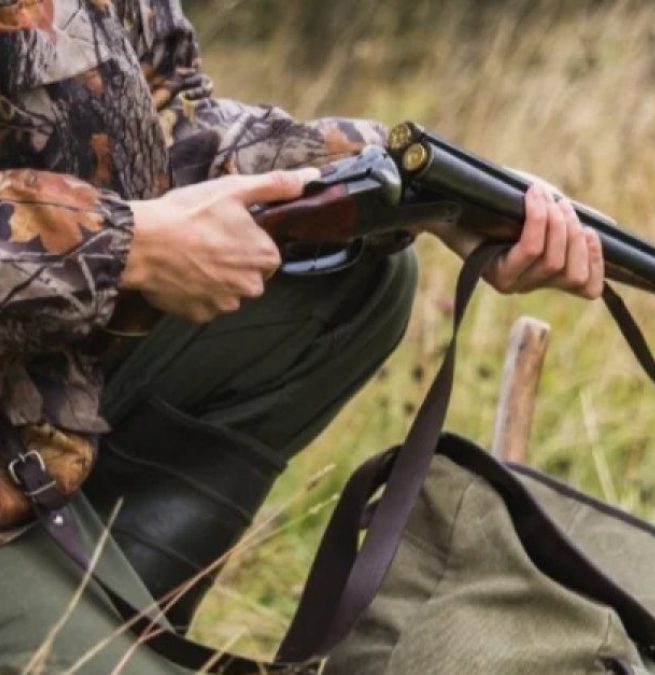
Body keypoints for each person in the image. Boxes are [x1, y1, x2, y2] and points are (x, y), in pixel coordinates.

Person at [0, 0, 604, 671]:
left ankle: (119, 605)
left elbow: (173, 117)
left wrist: (427, 186)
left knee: (352, 273)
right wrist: (127, 246)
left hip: (33, 416)